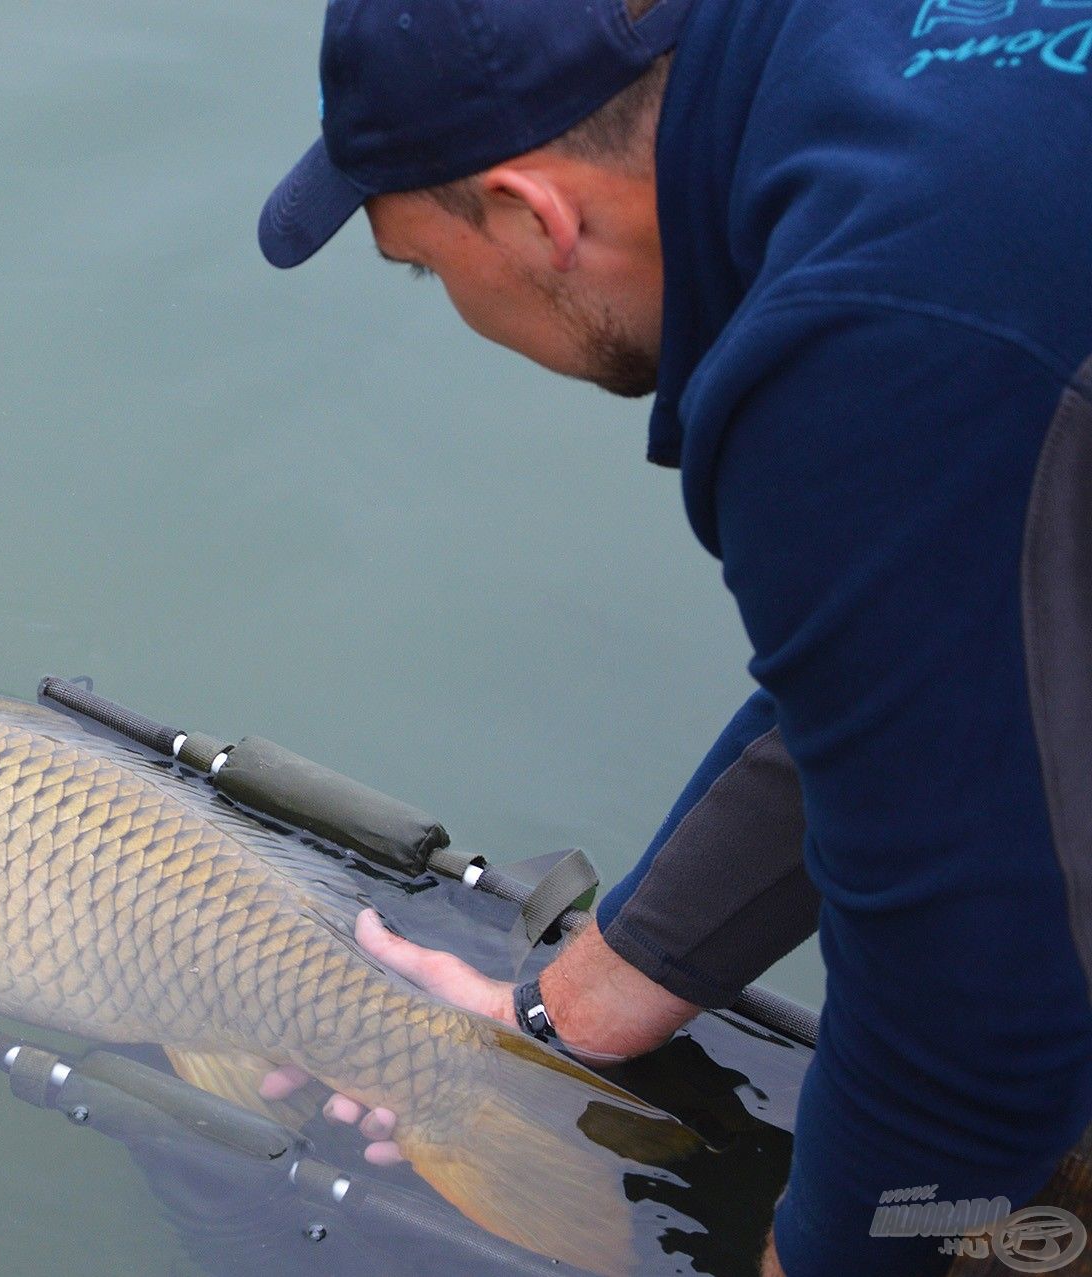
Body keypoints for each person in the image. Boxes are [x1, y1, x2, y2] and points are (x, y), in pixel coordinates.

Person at [250, 0, 1092, 1273]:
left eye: (424, 264)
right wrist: (561, 1015)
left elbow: (970, 1018)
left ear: (535, 216)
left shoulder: (867, 341)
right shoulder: (872, 70)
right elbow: (927, 673)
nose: (447, 301)